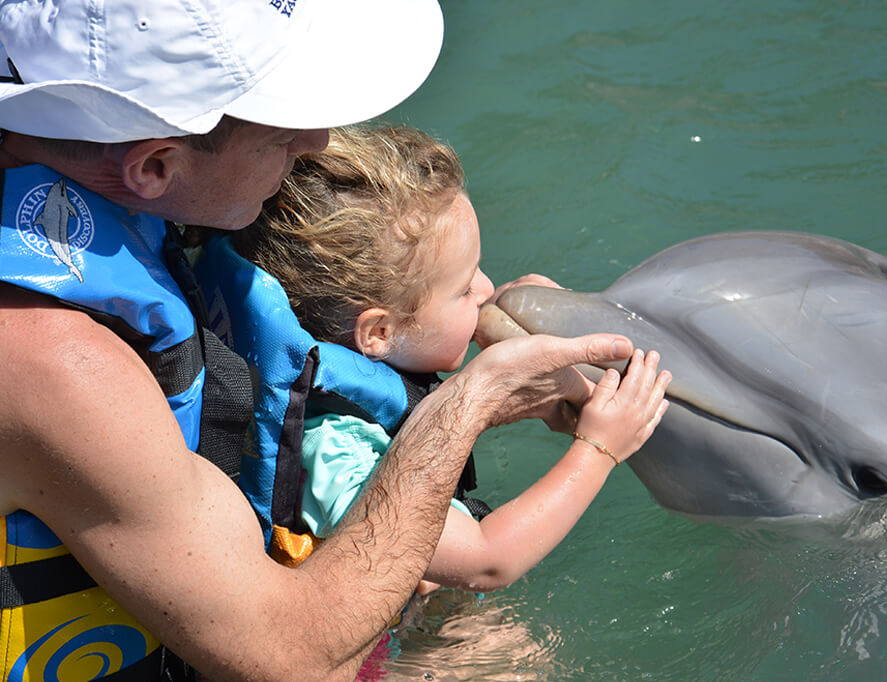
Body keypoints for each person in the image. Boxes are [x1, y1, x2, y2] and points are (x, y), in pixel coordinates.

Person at [0, 1, 643, 679]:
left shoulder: (109, 194)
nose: (316, 139)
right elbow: (293, 656)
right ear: (155, 166)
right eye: (279, 133)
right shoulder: (57, 362)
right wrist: (469, 403)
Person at [223, 125, 671, 594]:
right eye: (463, 289)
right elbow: (486, 561)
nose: (485, 288)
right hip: (367, 647)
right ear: (379, 332)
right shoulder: (334, 451)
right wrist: (599, 448)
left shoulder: (350, 369)